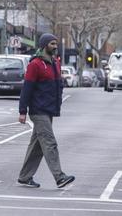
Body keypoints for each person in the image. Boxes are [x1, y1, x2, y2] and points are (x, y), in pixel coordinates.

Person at [17, 33, 75, 189]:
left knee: (37, 145)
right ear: (44, 46)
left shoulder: (55, 63)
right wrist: (22, 111)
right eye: (52, 44)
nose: (55, 47)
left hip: (49, 111)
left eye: (56, 44)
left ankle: (25, 176)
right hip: (38, 111)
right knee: (49, 143)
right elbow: (27, 89)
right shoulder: (35, 64)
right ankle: (59, 176)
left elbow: (58, 86)